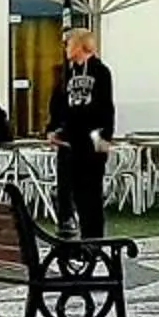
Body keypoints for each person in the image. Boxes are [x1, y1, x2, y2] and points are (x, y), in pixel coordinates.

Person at [46, 27, 115, 241]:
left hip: (91, 143)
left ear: (79, 45)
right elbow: (57, 104)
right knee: (69, 190)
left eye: (69, 43)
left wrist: (104, 136)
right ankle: (70, 230)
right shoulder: (66, 73)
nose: (65, 47)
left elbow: (106, 107)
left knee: (90, 194)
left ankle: (92, 240)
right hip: (69, 144)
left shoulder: (100, 71)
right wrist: (52, 129)